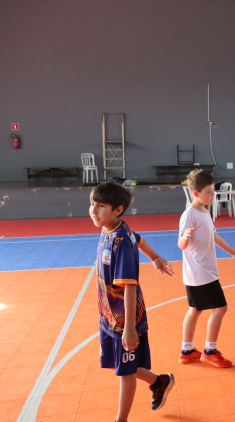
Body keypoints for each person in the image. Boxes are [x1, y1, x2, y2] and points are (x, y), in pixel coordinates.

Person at [89, 181, 176, 422]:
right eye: (92, 204)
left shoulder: (120, 242)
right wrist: (155, 257)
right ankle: (159, 382)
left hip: (125, 319)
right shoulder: (113, 228)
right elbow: (138, 238)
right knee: (120, 364)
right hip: (108, 313)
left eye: (100, 206)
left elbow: (130, 286)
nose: (93, 210)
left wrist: (129, 328)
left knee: (125, 371)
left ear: (118, 210)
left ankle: (122, 419)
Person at [178, 169, 235, 368]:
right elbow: (180, 244)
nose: (212, 195)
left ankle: (187, 351)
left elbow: (214, 236)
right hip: (200, 272)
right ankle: (210, 351)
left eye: (213, 190)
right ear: (196, 193)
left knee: (195, 309)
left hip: (202, 271)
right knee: (221, 307)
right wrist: (185, 237)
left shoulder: (205, 211)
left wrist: (233, 252)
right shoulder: (189, 215)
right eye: (208, 192)